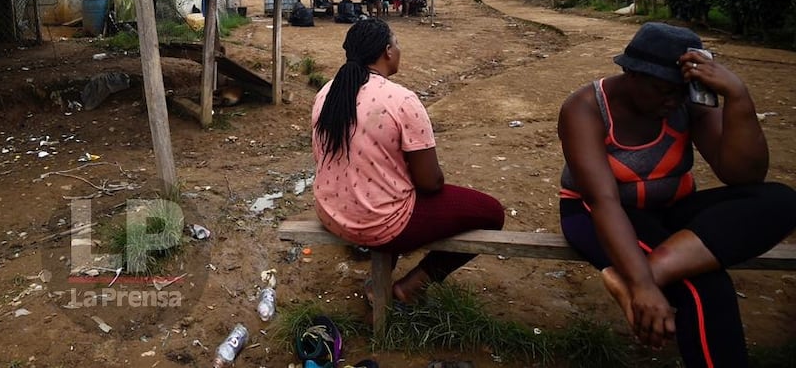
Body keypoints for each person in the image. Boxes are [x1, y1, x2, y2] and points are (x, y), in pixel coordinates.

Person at [557, 22, 796, 366]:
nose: (673, 100)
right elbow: (602, 201)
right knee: (704, 288)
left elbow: (744, 176)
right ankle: (646, 278)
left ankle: (645, 275)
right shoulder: (585, 108)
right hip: (598, 215)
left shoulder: (687, 103)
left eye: (680, 91)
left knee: (781, 201)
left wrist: (738, 96)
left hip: (670, 209)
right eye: (662, 90)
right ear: (631, 73)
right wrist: (642, 285)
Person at [312, 18, 505, 307]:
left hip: (331, 213)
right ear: (388, 51)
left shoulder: (326, 93)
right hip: (375, 222)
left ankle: (376, 282)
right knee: (491, 213)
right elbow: (430, 182)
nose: (400, 49)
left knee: (385, 190)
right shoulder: (401, 100)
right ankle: (412, 285)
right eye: (397, 43)